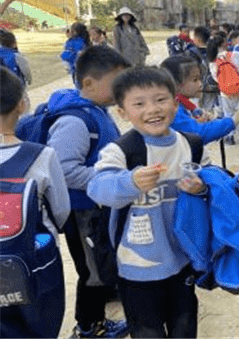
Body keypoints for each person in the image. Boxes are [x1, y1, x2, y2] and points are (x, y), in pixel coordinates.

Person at [86, 67, 206, 338]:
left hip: (182, 260)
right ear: (122, 112)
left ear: (175, 104)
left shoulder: (191, 145)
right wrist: (130, 183)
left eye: (160, 99)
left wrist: (202, 188)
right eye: (139, 103)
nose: (152, 109)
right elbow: (97, 187)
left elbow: (214, 186)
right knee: (147, 330)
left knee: (185, 325)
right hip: (137, 267)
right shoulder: (120, 151)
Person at [46, 46, 131, 338]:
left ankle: (99, 313)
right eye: (116, 81)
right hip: (82, 212)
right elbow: (63, 170)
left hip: (95, 208)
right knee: (92, 274)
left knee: (100, 266)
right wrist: (109, 176)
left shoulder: (96, 111)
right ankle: (88, 327)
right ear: (89, 83)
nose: (123, 88)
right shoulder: (75, 121)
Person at [0, 68, 71, 338]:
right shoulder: (41, 155)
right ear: (22, 104)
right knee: (40, 324)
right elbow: (61, 211)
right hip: (35, 260)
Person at [160, 54, 239, 158]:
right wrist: (234, 120)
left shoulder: (181, 104)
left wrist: (196, 122)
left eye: (199, 79)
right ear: (176, 84)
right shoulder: (174, 110)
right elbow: (200, 134)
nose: (200, 84)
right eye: (195, 80)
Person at [207, 32, 239, 145]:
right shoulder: (232, 55)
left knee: (228, 113)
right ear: (223, 44)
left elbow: (215, 77)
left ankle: (230, 136)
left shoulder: (212, 61)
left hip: (225, 92)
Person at [185, 26, 221, 114]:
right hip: (214, 86)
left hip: (198, 88)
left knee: (198, 112)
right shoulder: (215, 50)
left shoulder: (191, 52)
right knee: (212, 111)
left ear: (197, 39)